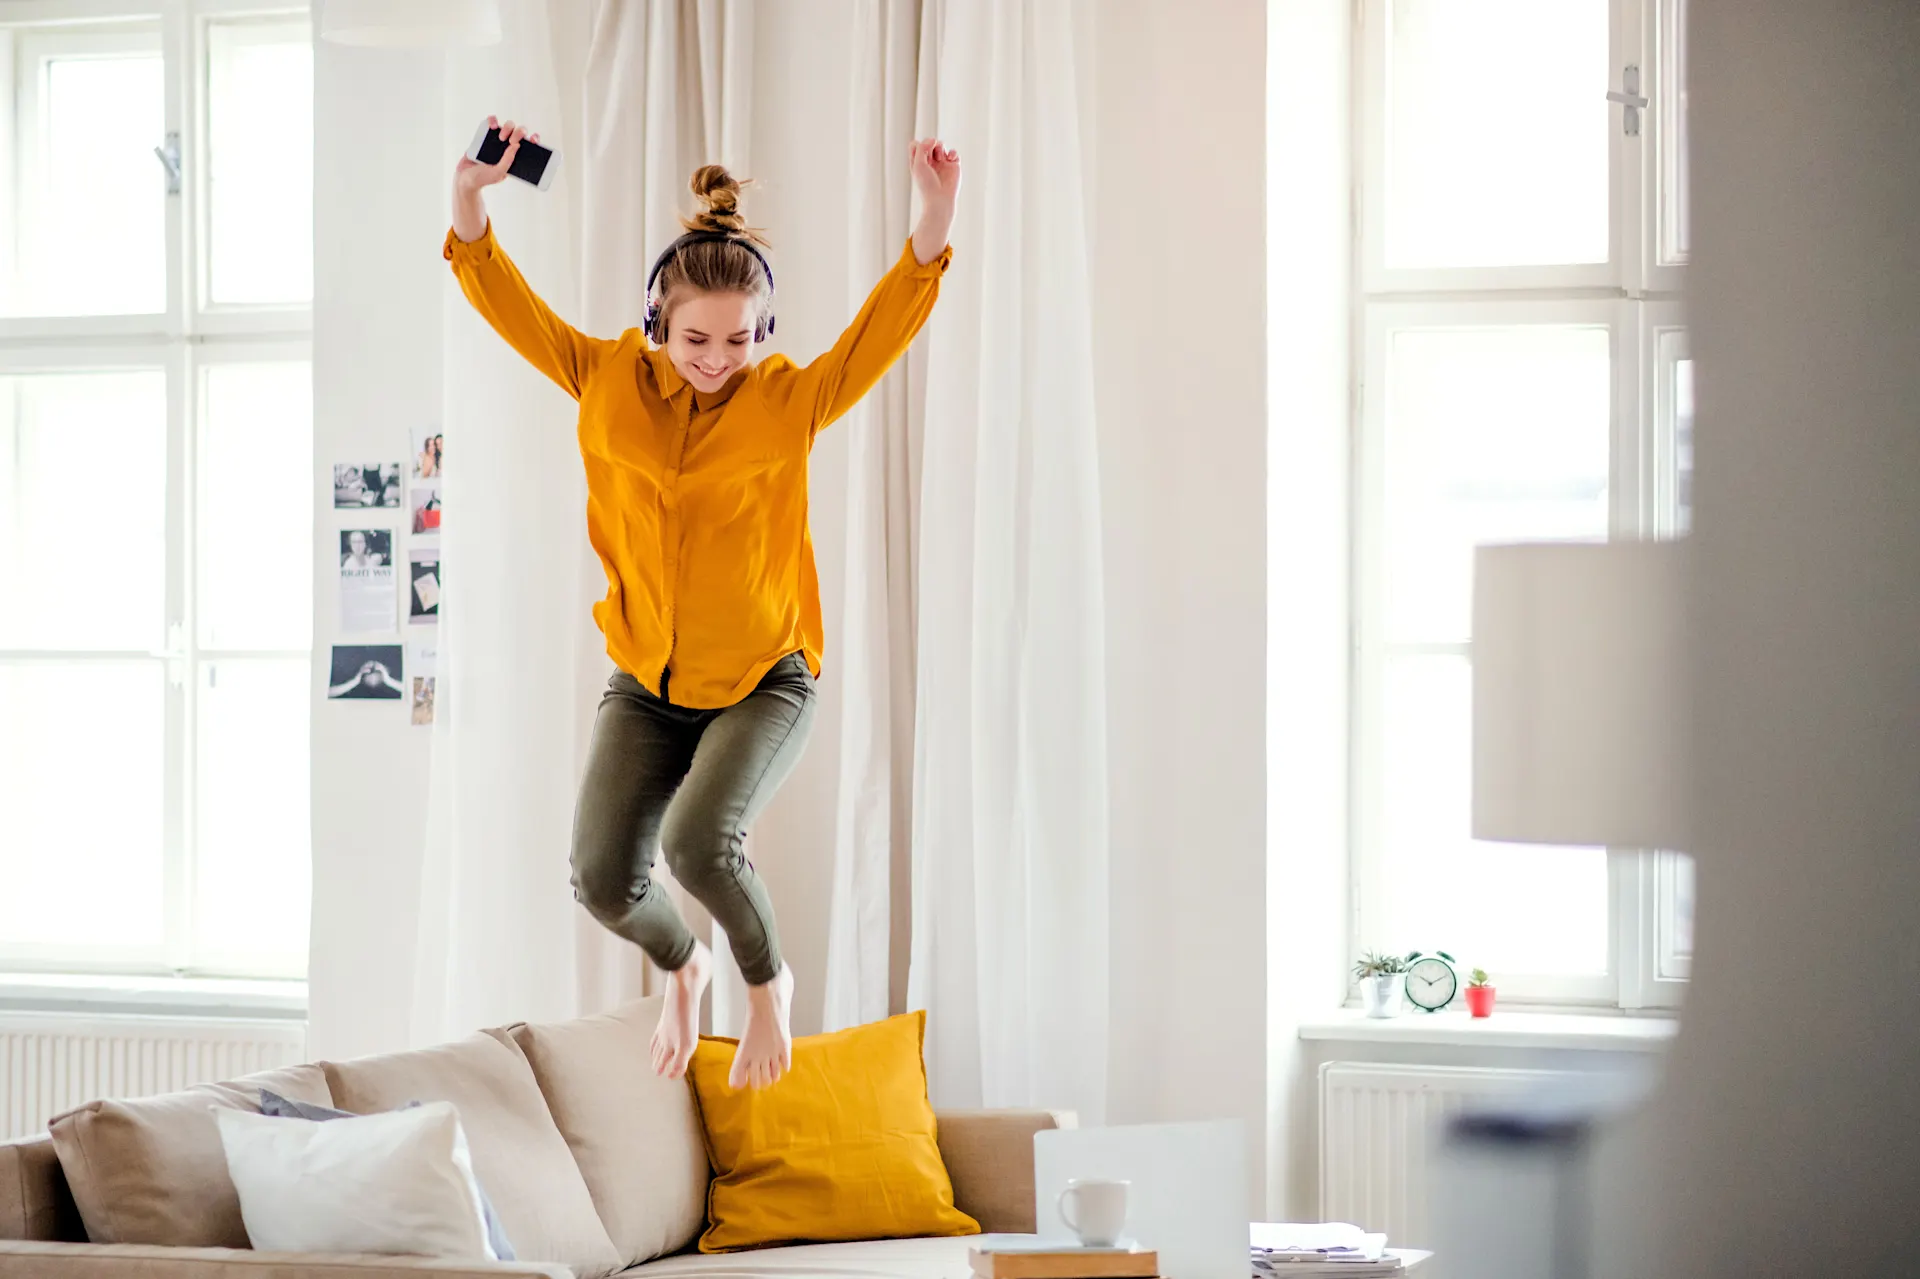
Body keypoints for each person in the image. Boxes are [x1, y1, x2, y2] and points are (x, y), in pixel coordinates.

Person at [446, 116, 960, 1090]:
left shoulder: (789, 400)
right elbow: (505, 300)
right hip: (647, 682)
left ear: (763, 333)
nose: (716, 358)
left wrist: (933, 219)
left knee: (696, 842)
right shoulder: (603, 377)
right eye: (694, 338)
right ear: (656, 321)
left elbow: (883, 327)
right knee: (602, 876)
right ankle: (685, 964)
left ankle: (769, 982)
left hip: (765, 681)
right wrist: (470, 198)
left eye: (737, 339)